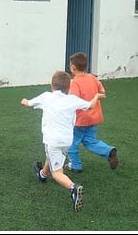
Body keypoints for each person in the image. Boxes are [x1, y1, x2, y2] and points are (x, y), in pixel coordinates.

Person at [21, 71, 105, 212]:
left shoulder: (46, 97)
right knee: (54, 157)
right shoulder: (73, 99)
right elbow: (91, 105)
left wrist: (23, 101)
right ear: (69, 87)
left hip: (53, 141)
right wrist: (97, 95)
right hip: (67, 141)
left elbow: (27, 103)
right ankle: (42, 174)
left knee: (57, 172)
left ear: (52, 85)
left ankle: (74, 188)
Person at [66, 52, 118, 173]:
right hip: (93, 118)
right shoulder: (93, 78)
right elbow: (103, 92)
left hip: (79, 120)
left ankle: (75, 165)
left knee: (71, 143)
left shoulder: (75, 82)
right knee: (90, 141)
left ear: (73, 67)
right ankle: (109, 151)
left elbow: (73, 100)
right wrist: (95, 97)